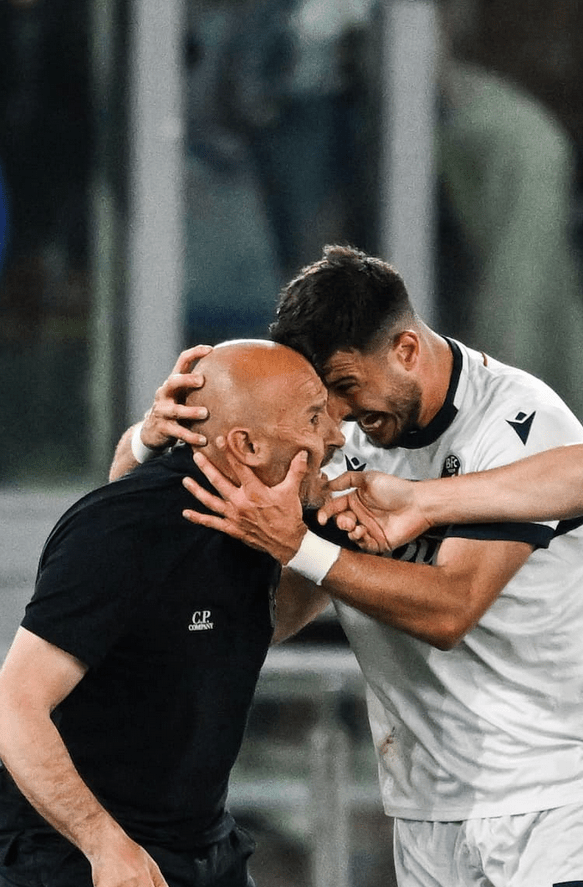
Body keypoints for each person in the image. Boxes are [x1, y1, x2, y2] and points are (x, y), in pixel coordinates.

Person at [137, 245, 583, 887]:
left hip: (552, 796)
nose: (340, 419)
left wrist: (305, 546)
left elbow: (451, 607)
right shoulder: (341, 437)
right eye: (324, 401)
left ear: (406, 349)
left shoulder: (517, 422)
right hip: (425, 803)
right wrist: (147, 443)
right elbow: (277, 613)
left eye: (346, 387)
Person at [0, 339, 344, 887]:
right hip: (76, 851)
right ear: (247, 445)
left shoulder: (264, 516)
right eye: (314, 417)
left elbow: (263, 623)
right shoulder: (124, 527)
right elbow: (15, 704)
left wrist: (329, 549)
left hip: (203, 844)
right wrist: (105, 845)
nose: (337, 435)